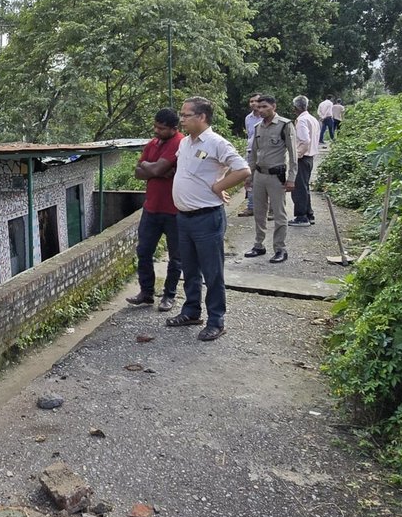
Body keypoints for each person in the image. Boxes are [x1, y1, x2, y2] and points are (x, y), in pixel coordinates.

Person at [168, 96, 251, 341]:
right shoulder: (184, 143)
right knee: (190, 269)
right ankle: (191, 311)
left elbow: (243, 169)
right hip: (184, 217)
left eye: (186, 115)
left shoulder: (217, 143)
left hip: (207, 218)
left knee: (212, 272)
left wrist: (220, 186)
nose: (181, 119)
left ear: (202, 117)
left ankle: (217, 320)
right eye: (181, 115)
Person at [127, 109, 183, 312]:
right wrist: (158, 169)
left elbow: (153, 170)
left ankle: (169, 295)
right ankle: (146, 292)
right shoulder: (152, 143)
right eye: (156, 126)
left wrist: (151, 168)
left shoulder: (179, 142)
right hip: (151, 207)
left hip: (174, 210)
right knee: (143, 251)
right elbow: (138, 172)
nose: (157, 131)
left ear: (173, 128)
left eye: (162, 128)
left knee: (176, 257)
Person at [242, 95, 297, 262]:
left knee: (279, 213)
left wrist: (291, 178)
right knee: (259, 212)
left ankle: (280, 248)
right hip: (259, 174)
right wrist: (249, 175)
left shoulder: (285, 125)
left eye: (264, 106)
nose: (260, 110)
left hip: (276, 176)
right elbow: (253, 154)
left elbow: (293, 155)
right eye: (259, 107)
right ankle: (259, 245)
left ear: (274, 106)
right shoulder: (259, 127)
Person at [290, 96, 320, 227]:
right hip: (310, 157)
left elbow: (305, 140)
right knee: (304, 186)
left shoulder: (301, 120)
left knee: (299, 188)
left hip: (303, 157)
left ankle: (301, 216)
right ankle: (309, 214)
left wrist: (298, 154)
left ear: (295, 108)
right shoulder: (313, 119)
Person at [238, 95, 260, 217]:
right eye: (251, 101)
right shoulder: (248, 118)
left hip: (264, 153)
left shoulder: (265, 118)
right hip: (251, 151)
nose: (253, 103)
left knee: (268, 180)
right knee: (249, 179)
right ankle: (251, 207)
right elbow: (249, 135)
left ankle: (271, 209)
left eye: (255, 101)